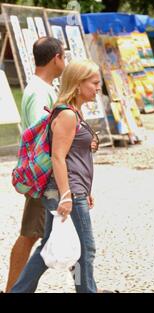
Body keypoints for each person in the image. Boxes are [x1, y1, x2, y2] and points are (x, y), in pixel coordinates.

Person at [11, 60, 101, 293]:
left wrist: (85, 190)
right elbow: (58, 158)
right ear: (78, 84)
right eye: (94, 82)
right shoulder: (67, 114)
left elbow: (74, 157)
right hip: (65, 190)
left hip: (73, 189)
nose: (98, 87)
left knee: (48, 248)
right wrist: (67, 196)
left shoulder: (75, 112)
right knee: (86, 249)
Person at [5, 37, 65, 292]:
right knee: (32, 234)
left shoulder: (41, 88)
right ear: (56, 58)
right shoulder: (39, 90)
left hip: (44, 177)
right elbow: (46, 135)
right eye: (64, 56)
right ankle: (12, 289)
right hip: (43, 178)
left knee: (39, 234)